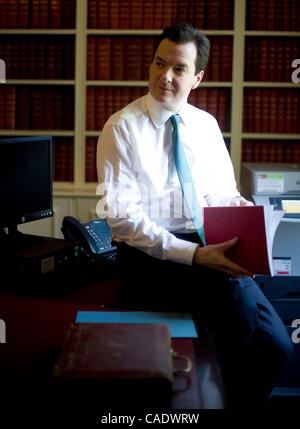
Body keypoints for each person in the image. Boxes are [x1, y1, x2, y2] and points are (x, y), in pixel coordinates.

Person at [96, 23, 293, 409]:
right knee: (235, 329)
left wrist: (242, 215)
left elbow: (222, 192)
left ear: (197, 77)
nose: (164, 76)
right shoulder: (122, 128)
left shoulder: (205, 125)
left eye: (178, 68)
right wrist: (195, 256)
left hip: (208, 245)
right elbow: (120, 219)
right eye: (158, 63)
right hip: (151, 257)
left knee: (277, 346)